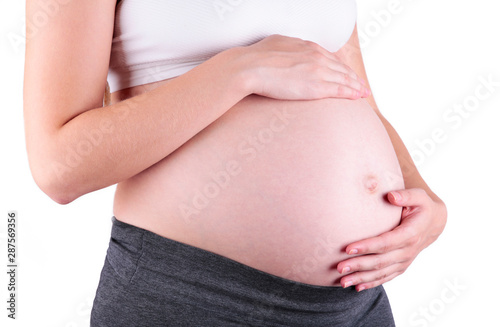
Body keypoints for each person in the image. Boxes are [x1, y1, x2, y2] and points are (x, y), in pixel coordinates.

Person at [23, 0, 447, 326]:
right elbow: (59, 165)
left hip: (356, 301)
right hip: (195, 293)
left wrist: (423, 198)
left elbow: (350, 86)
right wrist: (237, 70)